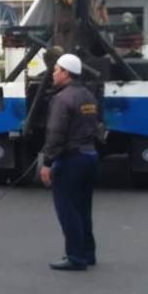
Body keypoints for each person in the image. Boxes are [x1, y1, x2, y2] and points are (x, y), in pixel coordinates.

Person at [39, 54, 100, 271]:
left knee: (67, 209)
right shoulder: (88, 96)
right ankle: (88, 253)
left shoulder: (63, 98)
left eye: (56, 69)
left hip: (72, 160)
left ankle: (75, 257)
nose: (53, 73)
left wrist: (47, 163)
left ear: (66, 73)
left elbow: (56, 133)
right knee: (83, 208)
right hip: (90, 156)